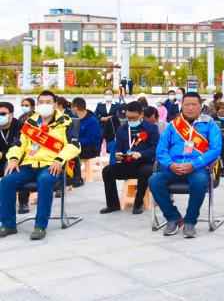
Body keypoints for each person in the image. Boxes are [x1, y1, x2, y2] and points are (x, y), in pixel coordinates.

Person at [0, 91, 81, 240]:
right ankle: (8, 224)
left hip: (51, 165)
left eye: (48, 102)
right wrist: (13, 158)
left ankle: (40, 226)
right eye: (41, 102)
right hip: (29, 165)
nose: (45, 105)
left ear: (55, 104)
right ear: (37, 105)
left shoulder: (65, 122)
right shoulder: (30, 123)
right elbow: (19, 144)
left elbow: (74, 146)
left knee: (44, 180)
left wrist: (59, 159)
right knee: (6, 181)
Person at [149, 92, 223, 238]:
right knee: (154, 181)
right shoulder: (173, 125)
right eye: (186, 104)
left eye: (194, 104)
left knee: (200, 181)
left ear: (200, 106)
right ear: (181, 106)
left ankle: (190, 221)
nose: (190, 108)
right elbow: (161, 150)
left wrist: (194, 164)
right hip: (173, 167)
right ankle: (173, 217)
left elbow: (215, 149)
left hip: (197, 168)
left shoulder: (209, 124)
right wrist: (170, 165)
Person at [100, 101, 160, 214]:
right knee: (107, 171)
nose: (131, 120)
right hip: (127, 163)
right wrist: (118, 154)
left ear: (141, 115)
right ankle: (113, 205)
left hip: (145, 163)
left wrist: (141, 154)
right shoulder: (122, 129)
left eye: (134, 117)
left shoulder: (151, 128)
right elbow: (118, 147)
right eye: (128, 117)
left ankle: (138, 203)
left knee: (145, 171)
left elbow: (155, 149)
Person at [0, 102, 28, 214]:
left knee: (16, 168)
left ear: (11, 114)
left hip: (18, 159)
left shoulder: (21, 126)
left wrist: (3, 153)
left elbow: (21, 146)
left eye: (3, 113)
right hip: (1, 159)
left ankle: (23, 202)